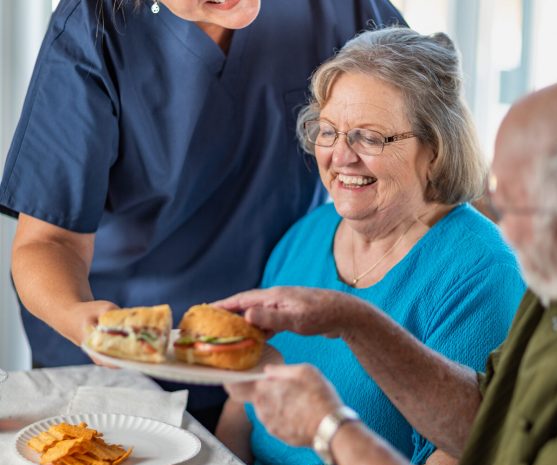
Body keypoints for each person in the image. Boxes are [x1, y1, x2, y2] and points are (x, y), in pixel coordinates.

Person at [0, 0, 403, 431]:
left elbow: (429, 135)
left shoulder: (342, 9)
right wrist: (76, 317)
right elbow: (47, 242)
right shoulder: (96, 26)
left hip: (267, 359)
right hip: (109, 369)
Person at [219, 74, 557, 465]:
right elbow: (485, 419)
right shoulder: (556, 296)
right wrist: (352, 319)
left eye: (508, 208)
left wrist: (331, 428)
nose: (498, 226)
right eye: (328, 131)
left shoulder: (496, 270)